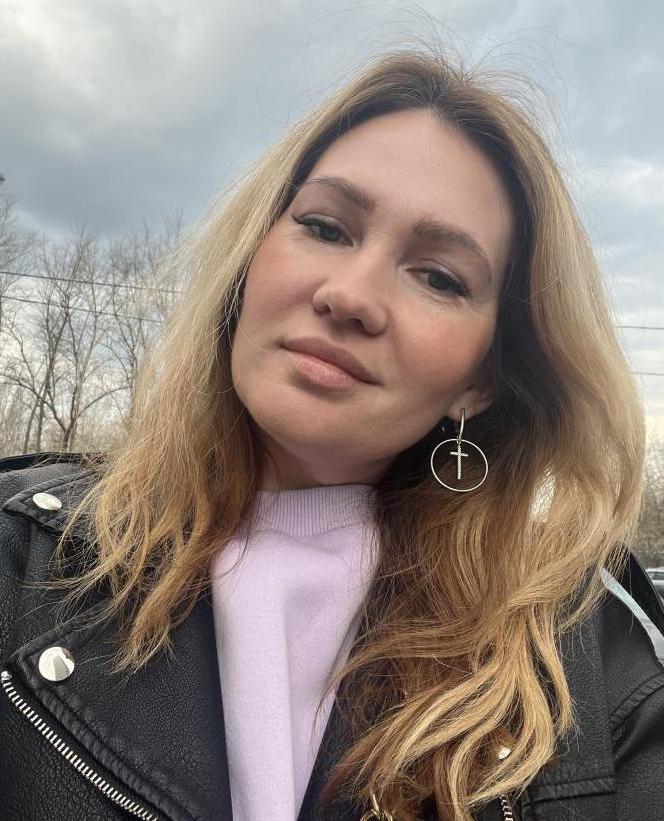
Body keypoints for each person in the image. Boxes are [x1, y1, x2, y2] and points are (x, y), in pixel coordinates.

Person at [1, 43, 663, 821]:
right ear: (250, 258)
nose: (350, 296)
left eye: (439, 276)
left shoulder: (580, 645)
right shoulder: (22, 558)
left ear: (482, 378)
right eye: (324, 226)